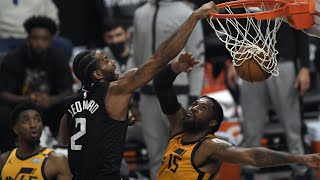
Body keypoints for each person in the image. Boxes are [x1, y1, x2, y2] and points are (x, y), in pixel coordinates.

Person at [58, 2, 218, 179]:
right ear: (97, 74)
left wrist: (107, 122)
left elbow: (64, 139)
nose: (112, 62)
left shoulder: (71, 102)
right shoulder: (116, 90)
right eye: (105, 60)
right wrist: (194, 17)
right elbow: (159, 58)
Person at [153, 52, 320, 180]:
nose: (194, 108)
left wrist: (300, 158)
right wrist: (176, 67)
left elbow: (253, 156)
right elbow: (161, 85)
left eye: (202, 108)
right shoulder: (179, 128)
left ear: (212, 122)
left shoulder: (211, 146)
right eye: (195, 104)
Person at [227, 22, 311, 179]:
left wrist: (305, 67)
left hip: (283, 61)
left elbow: (301, 32)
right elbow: (236, 30)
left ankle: (300, 170)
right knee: (251, 125)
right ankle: (249, 171)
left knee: (292, 125)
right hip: (250, 62)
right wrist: (234, 60)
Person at [132, 1, 205, 178]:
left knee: (185, 154)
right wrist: (134, 97)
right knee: (155, 156)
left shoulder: (187, 13)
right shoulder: (140, 14)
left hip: (178, 93)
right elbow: (135, 57)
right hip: (147, 95)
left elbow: (198, 56)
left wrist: (195, 97)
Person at [0, 16, 73, 152]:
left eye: (44, 39)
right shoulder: (13, 59)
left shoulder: (58, 57)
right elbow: (3, 94)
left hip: (49, 108)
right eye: (35, 38)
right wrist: (27, 100)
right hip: (19, 109)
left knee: (70, 105)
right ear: (28, 39)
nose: (39, 43)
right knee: (2, 113)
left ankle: (64, 147)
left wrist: (52, 100)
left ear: (50, 41)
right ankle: (8, 153)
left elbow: (68, 90)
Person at [0, 101, 72, 180]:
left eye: (37, 120)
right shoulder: (3, 160)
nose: (33, 125)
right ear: (16, 129)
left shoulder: (57, 161)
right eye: (26, 121)